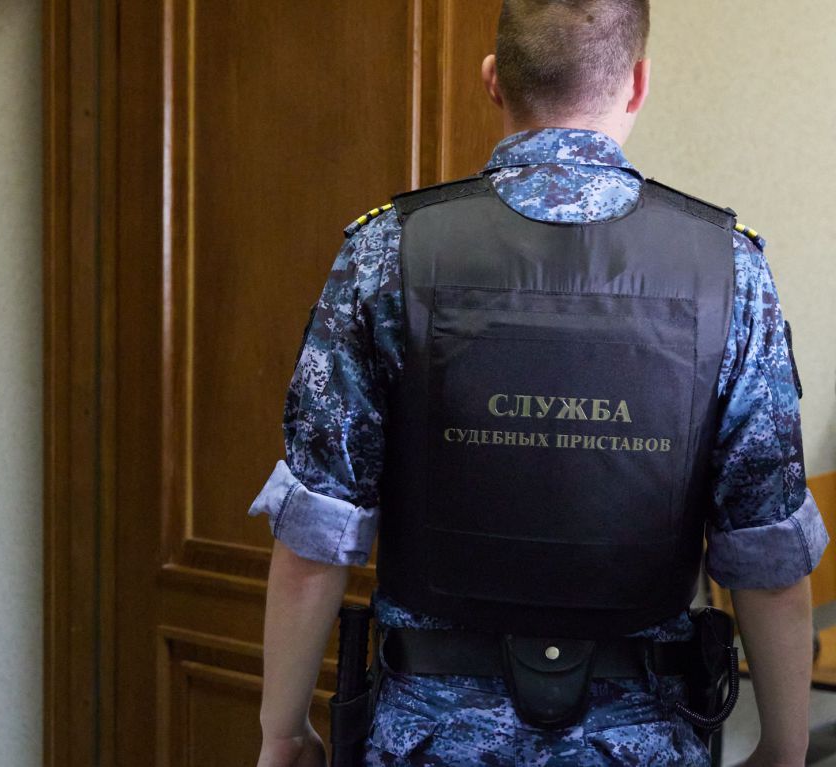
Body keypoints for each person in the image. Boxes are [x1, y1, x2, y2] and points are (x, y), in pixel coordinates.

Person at [249, 1, 828, 766]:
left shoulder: (387, 252)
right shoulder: (729, 271)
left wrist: (283, 731)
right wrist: (784, 747)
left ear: (493, 80)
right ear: (639, 82)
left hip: (428, 739)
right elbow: (767, 552)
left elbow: (315, 535)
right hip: (643, 742)